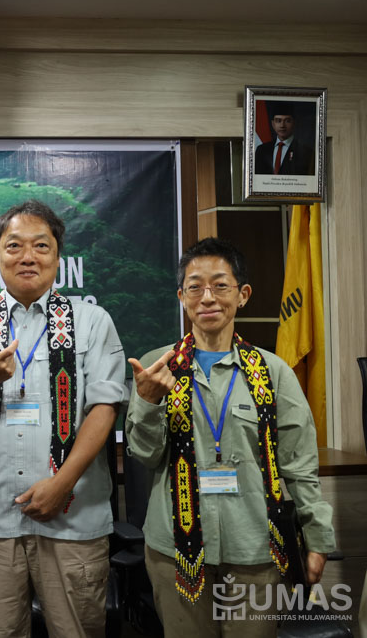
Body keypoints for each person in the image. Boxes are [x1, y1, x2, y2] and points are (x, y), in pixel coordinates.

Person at [0, 199, 125, 638]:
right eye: (14, 245)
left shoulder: (92, 321)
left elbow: (104, 408)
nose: (28, 256)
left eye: (41, 245)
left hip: (73, 518)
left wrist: (62, 484)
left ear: (58, 256)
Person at [124, 237, 336, 637]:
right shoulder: (157, 367)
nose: (207, 298)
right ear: (181, 297)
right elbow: (146, 456)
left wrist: (318, 536)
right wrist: (149, 401)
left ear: (243, 295)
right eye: (195, 287)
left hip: (256, 547)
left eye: (220, 285)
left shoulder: (273, 373)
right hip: (176, 549)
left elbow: (300, 465)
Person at [254, 102, 314, 175]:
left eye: (287, 121)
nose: (282, 125)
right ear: (273, 124)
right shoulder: (261, 150)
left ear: (294, 123)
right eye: (278, 121)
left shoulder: (306, 153)